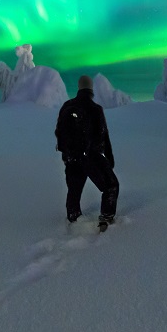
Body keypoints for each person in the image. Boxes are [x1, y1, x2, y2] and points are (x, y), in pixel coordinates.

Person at [55, 74, 119, 231]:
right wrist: (109, 158)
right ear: (91, 89)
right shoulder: (95, 109)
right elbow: (103, 134)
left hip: (71, 158)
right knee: (111, 186)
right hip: (91, 157)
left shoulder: (66, 106)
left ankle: (73, 219)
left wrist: (67, 153)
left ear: (79, 88)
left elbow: (58, 131)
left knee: (74, 190)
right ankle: (106, 218)